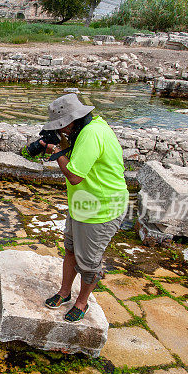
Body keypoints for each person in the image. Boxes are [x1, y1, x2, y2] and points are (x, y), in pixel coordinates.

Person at [39, 93, 129, 322]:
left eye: (62, 127)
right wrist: (63, 146)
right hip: (82, 205)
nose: (62, 131)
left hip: (102, 209)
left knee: (89, 263)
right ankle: (64, 292)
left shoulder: (91, 134)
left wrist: (57, 152)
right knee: (70, 249)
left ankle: (82, 303)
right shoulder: (89, 126)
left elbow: (75, 176)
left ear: (72, 120)